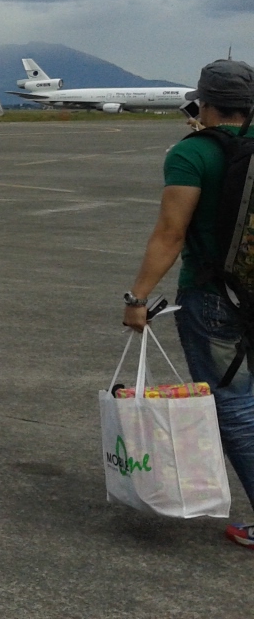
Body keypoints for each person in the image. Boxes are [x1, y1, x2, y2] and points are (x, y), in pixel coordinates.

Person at [121, 59, 254, 548]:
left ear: (203, 100)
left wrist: (138, 297)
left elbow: (171, 234)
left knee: (236, 407)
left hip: (214, 297)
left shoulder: (191, 154)